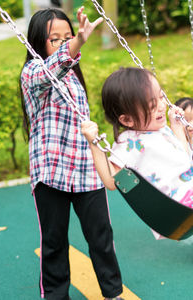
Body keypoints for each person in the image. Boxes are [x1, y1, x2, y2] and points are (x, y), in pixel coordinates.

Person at [20, 6, 123, 300]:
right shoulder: (32, 74)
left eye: (69, 36)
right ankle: (55, 296)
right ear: (38, 43)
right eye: (56, 39)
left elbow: (65, 66)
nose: (65, 43)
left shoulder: (75, 78)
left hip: (85, 168)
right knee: (54, 241)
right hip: (51, 170)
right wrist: (77, 41)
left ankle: (113, 292)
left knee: (101, 236)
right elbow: (51, 69)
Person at [81, 67, 193, 239]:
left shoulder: (162, 130)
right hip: (177, 207)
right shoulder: (130, 142)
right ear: (127, 119)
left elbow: (184, 158)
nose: (162, 106)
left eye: (161, 97)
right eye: (152, 105)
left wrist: (176, 126)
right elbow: (112, 181)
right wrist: (94, 145)